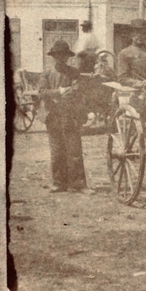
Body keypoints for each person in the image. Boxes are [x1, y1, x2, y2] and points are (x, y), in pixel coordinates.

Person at [38, 40, 93, 194]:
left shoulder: (74, 73)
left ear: (67, 57)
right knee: (56, 151)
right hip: (53, 115)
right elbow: (42, 92)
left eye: (63, 56)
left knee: (74, 150)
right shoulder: (46, 73)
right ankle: (58, 183)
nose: (60, 58)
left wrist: (65, 93)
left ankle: (79, 184)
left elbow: (77, 90)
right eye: (57, 55)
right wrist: (59, 92)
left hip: (70, 115)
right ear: (53, 57)